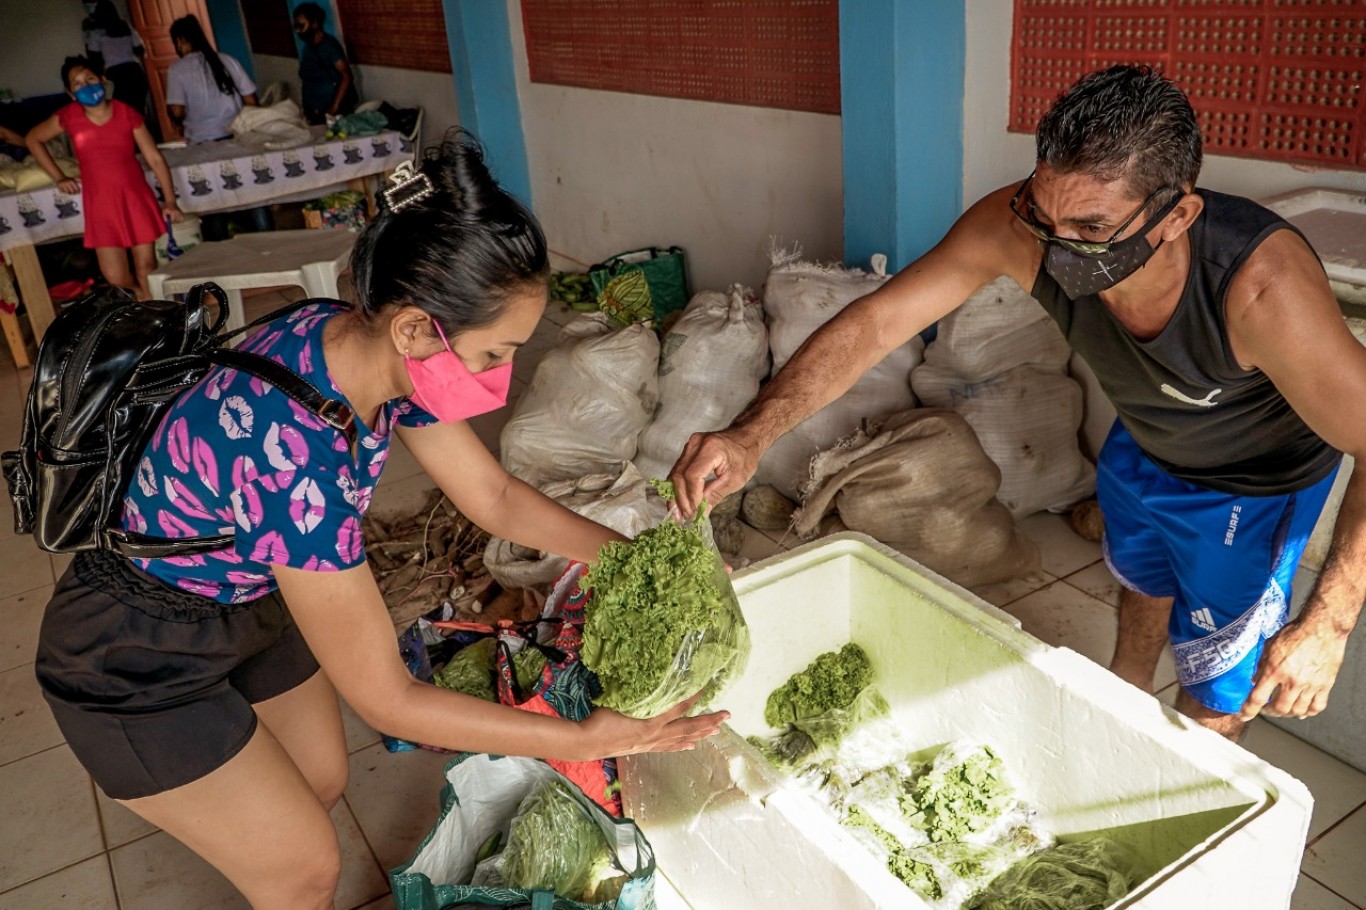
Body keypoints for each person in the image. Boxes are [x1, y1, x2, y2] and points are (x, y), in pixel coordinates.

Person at [34, 132, 725, 909]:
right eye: (495, 354)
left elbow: (491, 497)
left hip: (248, 595)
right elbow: (390, 701)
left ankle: (260, 843)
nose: (502, 379)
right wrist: (586, 740)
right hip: (135, 653)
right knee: (304, 868)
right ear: (416, 330)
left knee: (318, 779)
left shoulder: (354, 344)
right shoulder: (293, 458)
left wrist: (630, 557)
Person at [671, 65, 1366, 743]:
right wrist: (751, 434)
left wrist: (1331, 622)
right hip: (1147, 443)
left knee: (1215, 690)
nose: (1059, 248)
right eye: (1046, 213)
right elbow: (878, 323)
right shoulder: (1021, 226)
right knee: (1142, 586)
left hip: (1249, 488)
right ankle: (1119, 708)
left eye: (1092, 229)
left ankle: (1183, 778)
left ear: (1177, 215)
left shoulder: (1261, 290)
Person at [26, 57, 182, 299]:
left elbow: (155, 159)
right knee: (115, 276)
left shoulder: (126, 113)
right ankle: (143, 297)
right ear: (70, 93)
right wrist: (59, 177)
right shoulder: (68, 116)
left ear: (102, 80)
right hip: (100, 204)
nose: (85, 86)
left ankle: (156, 316)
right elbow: (33, 139)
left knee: (146, 268)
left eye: (90, 79)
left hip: (134, 197)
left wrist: (170, 201)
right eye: (77, 84)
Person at [165, 14, 274, 240]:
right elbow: (251, 101)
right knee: (253, 195)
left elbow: (176, 111)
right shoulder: (227, 60)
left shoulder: (178, 70)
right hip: (238, 140)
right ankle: (269, 241)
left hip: (203, 146)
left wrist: (180, 121)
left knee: (213, 202)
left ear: (180, 41)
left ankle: (221, 253)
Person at [293, 1, 357, 125]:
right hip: (314, 112)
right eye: (296, 27)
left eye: (302, 26)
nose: (299, 31)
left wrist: (333, 108)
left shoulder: (329, 46)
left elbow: (346, 76)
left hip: (332, 114)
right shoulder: (308, 47)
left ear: (314, 23)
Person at [84, 0, 150, 122]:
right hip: (135, 72)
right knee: (138, 112)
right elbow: (139, 49)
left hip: (116, 76)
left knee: (122, 116)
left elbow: (94, 59)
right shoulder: (125, 27)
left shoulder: (96, 33)